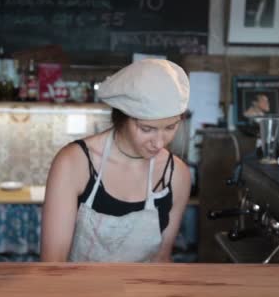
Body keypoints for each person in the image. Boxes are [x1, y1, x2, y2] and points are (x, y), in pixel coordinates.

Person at [40, 59, 192, 262]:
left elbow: (162, 258)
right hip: (80, 291)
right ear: (122, 117)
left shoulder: (176, 175)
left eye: (170, 127)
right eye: (147, 129)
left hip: (144, 292)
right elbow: (52, 262)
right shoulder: (74, 163)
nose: (159, 142)